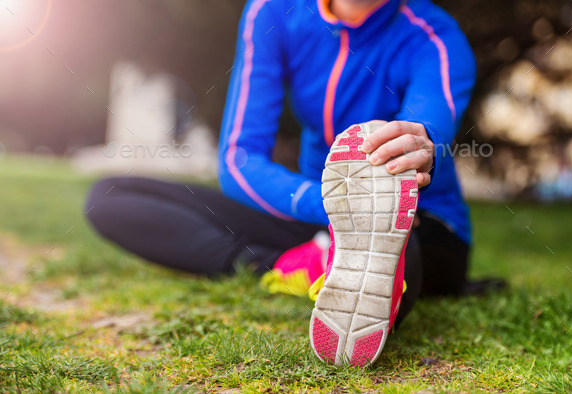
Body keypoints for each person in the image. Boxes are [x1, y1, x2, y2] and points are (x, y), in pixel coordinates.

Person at [85, 0, 504, 366]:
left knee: (393, 237)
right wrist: (331, 204)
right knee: (109, 197)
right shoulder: (273, 12)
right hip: (315, 211)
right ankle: (282, 263)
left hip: (421, 222)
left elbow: (431, 116)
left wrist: (422, 140)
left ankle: (353, 275)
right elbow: (240, 158)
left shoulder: (435, 36)